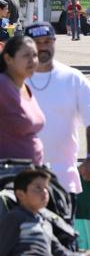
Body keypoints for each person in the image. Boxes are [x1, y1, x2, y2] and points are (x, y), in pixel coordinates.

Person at [26, 22, 90, 222]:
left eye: (47, 41)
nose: (42, 47)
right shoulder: (13, 80)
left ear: (54, 42)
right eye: (36, 42)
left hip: (63, 179)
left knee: (63, 241)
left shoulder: (73, 78)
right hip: (22, 181)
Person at [0, 168, 90, 256]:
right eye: (38, 188)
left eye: (46, 188)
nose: (44, 192)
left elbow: (61, 254)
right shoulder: (15, 217)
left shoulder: (45, 222)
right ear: (21, 194)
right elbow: (3, 249)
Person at [0, 36, 45, 165]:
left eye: (35, 55)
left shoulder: (25, 86)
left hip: (32, 175)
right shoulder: (2, 85)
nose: (33, 61)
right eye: (26, 56)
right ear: (8, 59)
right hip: (8, 177)